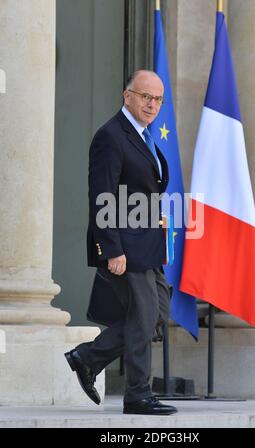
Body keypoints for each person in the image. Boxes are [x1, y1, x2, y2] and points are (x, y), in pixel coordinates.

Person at [64, 70, 177, 416]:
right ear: (127, 96)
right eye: (145, 96)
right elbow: (101, 196)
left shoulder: (143, 136)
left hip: (146, 244)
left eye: (157, 99)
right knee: (143, 317)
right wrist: (111, 249)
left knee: (158, 313)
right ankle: (138, 394)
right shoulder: (111, 136)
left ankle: (87, 357)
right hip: (123, 245)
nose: (152, 104)